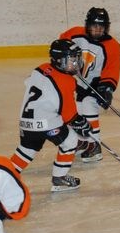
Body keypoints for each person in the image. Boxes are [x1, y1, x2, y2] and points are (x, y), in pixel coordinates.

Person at [10, 39, 92, 192]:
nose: (76, 63)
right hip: (46, 123)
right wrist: (82, 124)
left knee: (27, 149)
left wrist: (76, 88)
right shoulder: (65, 81)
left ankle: (8, 176)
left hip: (26, 121)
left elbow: (34, 82)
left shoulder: (41, 68)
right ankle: (59, 178)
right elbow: (69, 115)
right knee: (70, 141)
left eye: (76, 59)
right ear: (59, 60)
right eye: (71, 60)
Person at [59, 7, 120, 163]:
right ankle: (82, 140)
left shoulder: (112, 45)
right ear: (87, 25)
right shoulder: (75, 33)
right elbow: (60, 44)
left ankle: (94, 145)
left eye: (101, 26)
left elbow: (112, 68)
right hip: (76, 82)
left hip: (96, 83)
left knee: (88, 107)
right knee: (73, 112)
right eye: (94, 26)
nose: (97, 30)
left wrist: (107, 88)